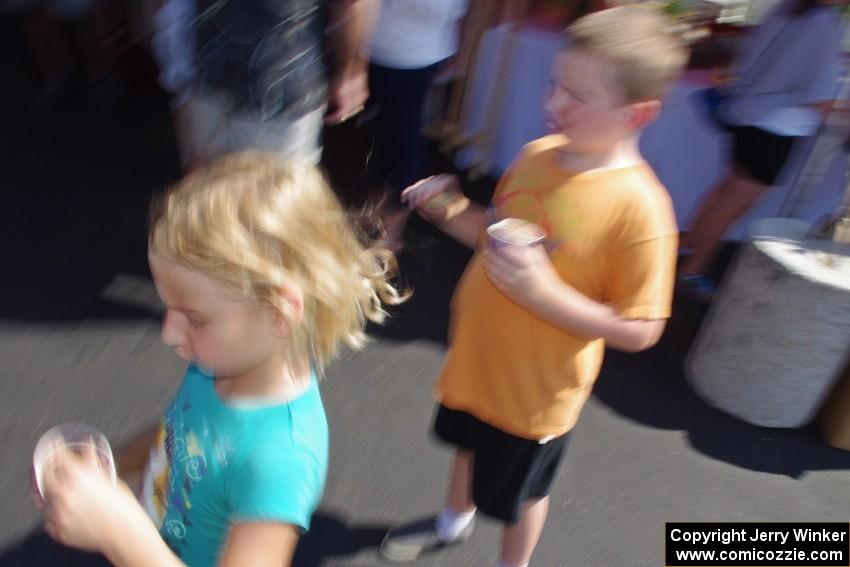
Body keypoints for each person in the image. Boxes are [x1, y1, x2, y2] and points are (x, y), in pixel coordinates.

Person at [380, 7, 688, 566]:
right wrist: (449, 210)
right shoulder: (536, 156)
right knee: (467, 445)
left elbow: (642, 328)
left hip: (536, 391)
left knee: (521, 496)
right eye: (553, 84)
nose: (551, 104)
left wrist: (545, 296)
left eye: (576, 95)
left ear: (635, 113)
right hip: (480, 358)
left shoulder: (642, 211)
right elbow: (492, 233)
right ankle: (452, 523)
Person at [33, 153, 405, 567]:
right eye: (168, 308)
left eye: (193, 318)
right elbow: (179, 429)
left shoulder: (280, 459)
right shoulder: (216, 361)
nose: (169, 333)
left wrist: (119, 532)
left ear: (278, 313)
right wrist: (113, 468)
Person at [678, 0, 845, 295]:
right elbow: (817, 94)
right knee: (734, 202)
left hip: (750, 113)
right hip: (778, 125)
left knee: (726, 191)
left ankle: (684, 249)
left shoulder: (788, 8)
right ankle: (694, 269)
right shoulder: (823, 22)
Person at [151, 0, 376, 170]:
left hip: (209, 67)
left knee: (206, 190)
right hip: (282, 87)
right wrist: (350, 71)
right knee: (270, 205)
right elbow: (349, 4)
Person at [365, 0, 469, 250]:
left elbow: (448, 12)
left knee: (406, 142)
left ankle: (394, 229)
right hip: (379, 50)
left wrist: (461, 52)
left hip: (418, 57)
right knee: (385, 136)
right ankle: (379, 208)